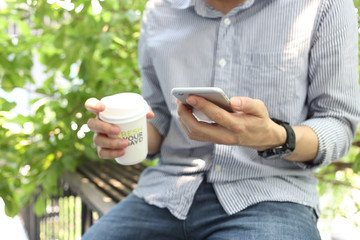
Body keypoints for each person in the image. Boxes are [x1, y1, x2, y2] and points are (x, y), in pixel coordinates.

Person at [83, 0, 360, 239]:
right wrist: (123, 133)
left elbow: (337, 123)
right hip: (165, 193)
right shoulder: (160, 10)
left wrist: (275, 137)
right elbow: (160, 114)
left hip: (270, 196)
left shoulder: (323, 6)